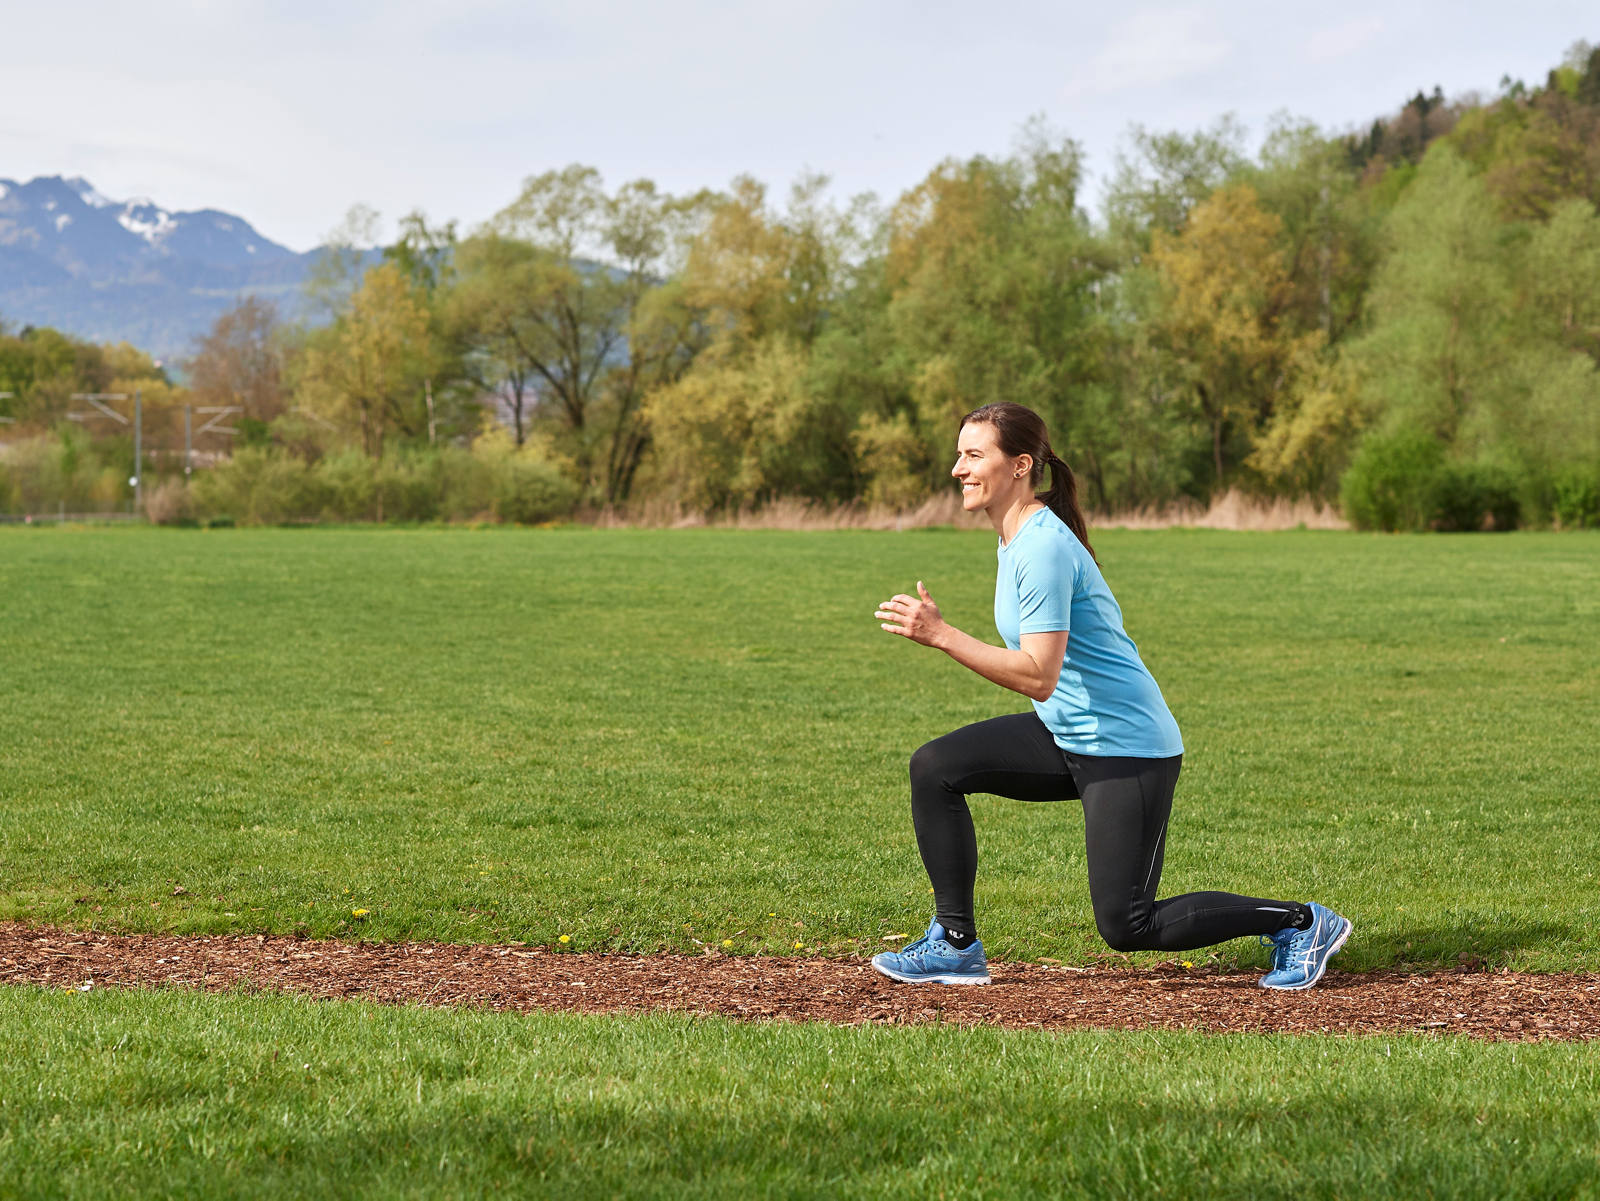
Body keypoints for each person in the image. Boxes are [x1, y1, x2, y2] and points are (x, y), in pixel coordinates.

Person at [869, 402, 1350, 990]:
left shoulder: (1042, 546)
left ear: (1020, 466)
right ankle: (954, 943)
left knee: (1128, 924)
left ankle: (1301, 923)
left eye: (974, 455)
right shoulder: (1015, 537)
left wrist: (942, 635)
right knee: (936, 767)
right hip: (1068, 732)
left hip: (1127, 747)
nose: (957, 468)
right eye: (959, 454)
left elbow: (1037, 675)